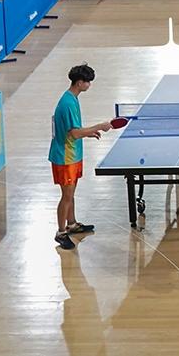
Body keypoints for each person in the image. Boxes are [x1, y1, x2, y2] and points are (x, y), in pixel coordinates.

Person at [50, 64, 111, 249]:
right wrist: (99, 126)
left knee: (71, 193)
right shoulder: (68, 103)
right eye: (88, 82)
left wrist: (89, 133)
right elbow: (75, 133)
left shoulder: (73, 98)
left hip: (73, 154)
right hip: (65, 157)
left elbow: (74, 131)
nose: (89, 85)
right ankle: (61, 232)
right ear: (79, 83)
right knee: (66, 196)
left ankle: (72, 224)